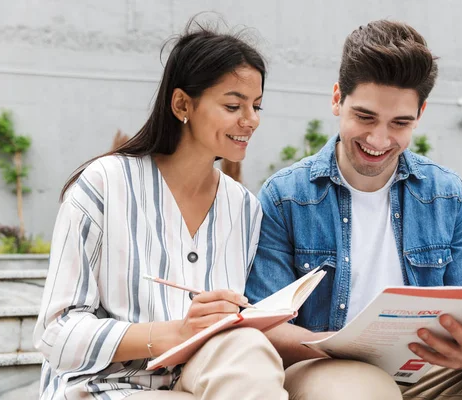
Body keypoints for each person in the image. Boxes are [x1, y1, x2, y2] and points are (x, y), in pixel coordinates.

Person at [246, 19, 462, 399]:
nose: (379, 139)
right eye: (365, 117)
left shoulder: (449, 196)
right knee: (363, 390)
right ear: (336, 99)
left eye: (400, 123)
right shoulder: (285, 196)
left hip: (431, 373)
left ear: (421, 113)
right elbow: (266, 325)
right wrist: (347, 345)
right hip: (327, 371)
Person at [33, 19, 288, 400]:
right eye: (233, 105)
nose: (250, 120)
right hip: (106, 387)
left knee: (246, 349)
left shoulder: (244, 208)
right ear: (182, 103)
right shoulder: (104, 184)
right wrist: (176, 332)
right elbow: (56, 332)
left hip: (204, 381)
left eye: (256, 105)